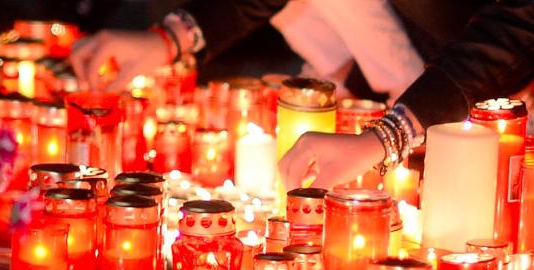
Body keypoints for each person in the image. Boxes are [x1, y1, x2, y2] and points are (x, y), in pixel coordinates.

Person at [69, 1, 534, 190]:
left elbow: (517, 28)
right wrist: (169, 40)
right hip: (435, 82)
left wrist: (388, 136)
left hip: (508, 103)